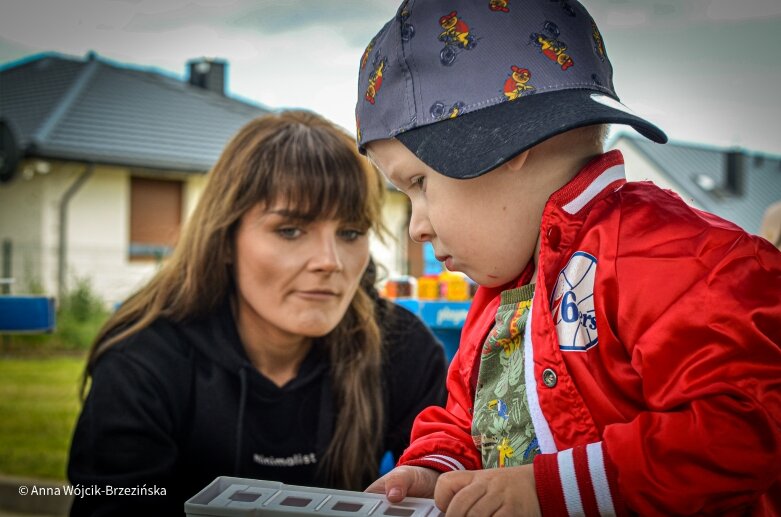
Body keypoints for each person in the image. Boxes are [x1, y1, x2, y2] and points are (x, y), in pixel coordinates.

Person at [356, 1, 781, 515]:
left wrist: (552, 490)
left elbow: (744, 425)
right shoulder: (501, 298)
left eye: (419, 184)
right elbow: (470, 419)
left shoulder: (682, 263)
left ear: (500, 142)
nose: (416, 227)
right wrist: (436, 468)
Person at [67, 111, 448, 516]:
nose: (329, 261)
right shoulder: (142, 360)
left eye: (350, 233)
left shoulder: (400, 346)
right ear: (225, 239)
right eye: (290, 230)